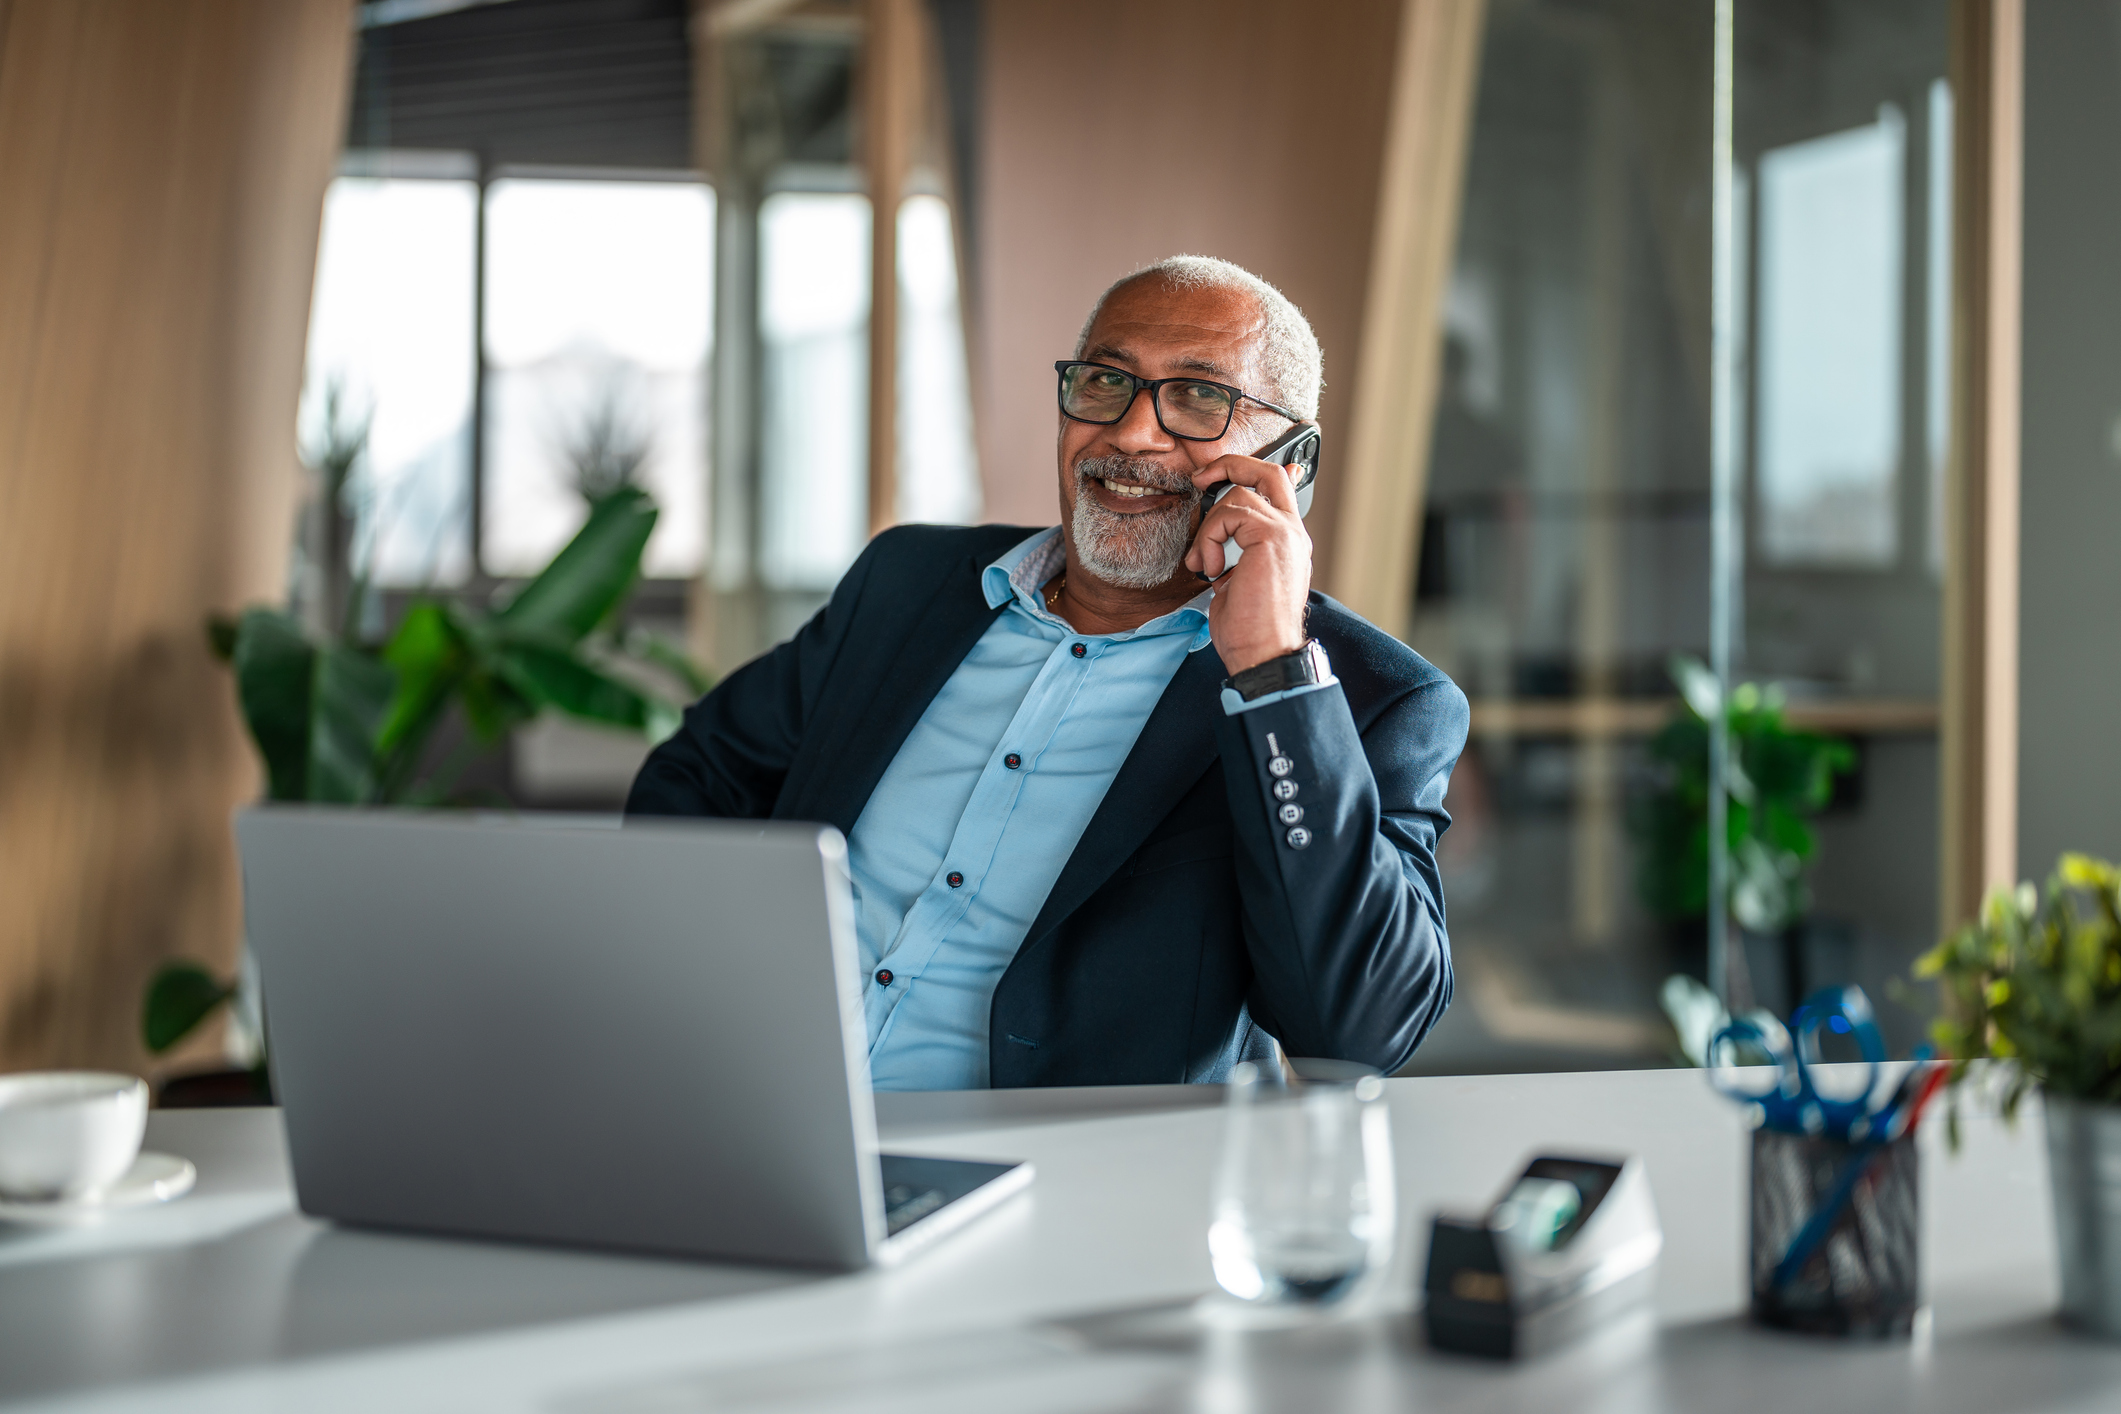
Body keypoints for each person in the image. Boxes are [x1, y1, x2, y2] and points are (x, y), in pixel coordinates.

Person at [628, 255, 1469, 1089]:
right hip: (748, 1108)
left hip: (1048, 1180)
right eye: (1105, 381)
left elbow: (1360, 1030)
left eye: (1199, 398)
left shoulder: (1367, 699)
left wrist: (1272, 675)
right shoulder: (910, 583)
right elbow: (697, 778)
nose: (1133, 433)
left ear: (1290, 465)